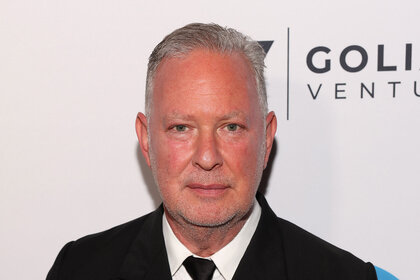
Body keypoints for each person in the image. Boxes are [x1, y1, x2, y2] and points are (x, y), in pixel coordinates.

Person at [47, 23, 378, 280]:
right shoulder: (79, 268)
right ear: (147, 140)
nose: (207, 157)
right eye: (181, 128)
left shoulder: (343, 276)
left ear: (265, 139)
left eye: (231, 127)